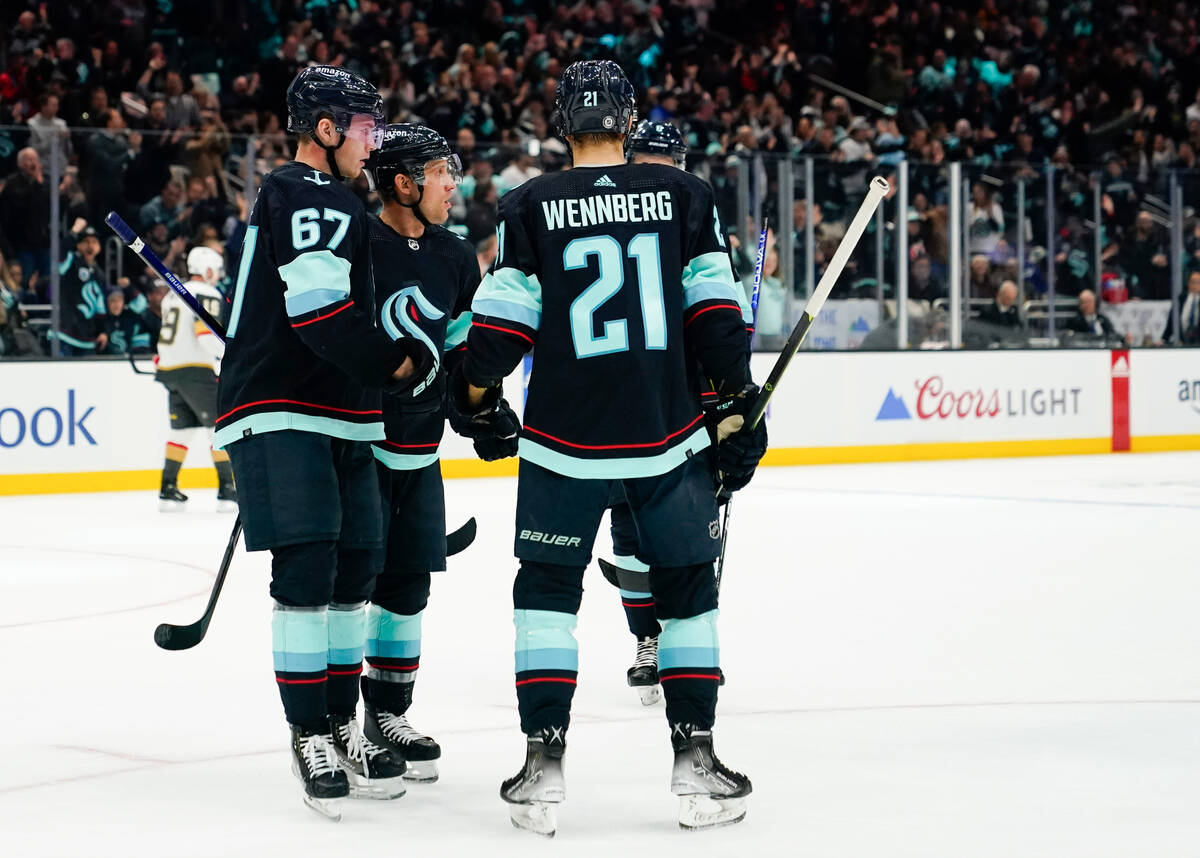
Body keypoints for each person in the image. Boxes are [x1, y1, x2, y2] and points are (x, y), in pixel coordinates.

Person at [454, 61, 766, 835]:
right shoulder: (687, 196)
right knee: (688, 595)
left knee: (546, 597)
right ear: (627, 123)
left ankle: (542, 760)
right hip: (666, 437)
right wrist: (738, 405)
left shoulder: (527, 203)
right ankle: (696, 757)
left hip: (562, 442)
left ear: (564, 125)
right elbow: (715, 317)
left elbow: (499, 328)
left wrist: (475, 398)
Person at [212, 66, 433, 821]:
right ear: (327, 129)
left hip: (340, 409)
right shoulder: (305, 192)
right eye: (366, 128)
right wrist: (396, 362)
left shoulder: (331, 201)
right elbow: (316, 313)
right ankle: (310, 732)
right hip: (283, 405)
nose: (374, 142)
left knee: (357, 568)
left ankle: (341, 721)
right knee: (310, 564)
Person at [359, 124, 518, 783]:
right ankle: (339, 720)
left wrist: (480, 409)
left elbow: (459, 352)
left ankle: (387, 712)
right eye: (440, 172)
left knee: (408, 585)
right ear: (403, 182)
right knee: (346, 587)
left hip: (419, 451)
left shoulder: (455, 257)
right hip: (357, 444)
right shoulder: (357, 245)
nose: (455, 184)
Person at [606, 117, 754, 707]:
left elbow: (720, 327)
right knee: (629, 536)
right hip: (624, 405)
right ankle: (648, 638)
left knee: (694, 535)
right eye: (646, 166)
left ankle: (688, 643)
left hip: (689, 406)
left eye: (668, 168)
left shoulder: (698, 227)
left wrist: (733, 396)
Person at [154, 247, 236, 511]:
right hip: (197, 370)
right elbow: (205, 334)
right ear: (207, 269)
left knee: (183, 430)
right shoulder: (207, 293)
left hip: (171, 370)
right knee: (220, 428)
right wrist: (231, 356)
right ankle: (228, 490)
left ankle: (168, 488)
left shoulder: (171, 293)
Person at [52, 225, 108, 356]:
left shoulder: (100, 275)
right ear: (78, 245)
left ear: (99, 247)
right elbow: (58, 256)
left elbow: (100, 308)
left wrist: (103, 331)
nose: (90, 246)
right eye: (86, 242)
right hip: (64, 334)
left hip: (87, 338)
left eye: (94, 242)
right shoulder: (71, 261)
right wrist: (73, 232)